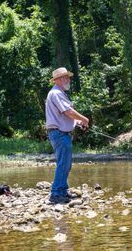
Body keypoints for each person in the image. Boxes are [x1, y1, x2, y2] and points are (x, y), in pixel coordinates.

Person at [46, 67, 89, 204]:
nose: (69, 79)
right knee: (63, 164)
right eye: (66, 77)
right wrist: (85, 119)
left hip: (60, 133)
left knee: (65, 164)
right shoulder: (56, 93)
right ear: (58, 80)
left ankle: (62, 190)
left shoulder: (59, 93)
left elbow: (66, 116)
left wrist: (78, 122)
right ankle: (56, 194)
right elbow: (68, 112)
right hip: (59, 134)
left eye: (68, 77)